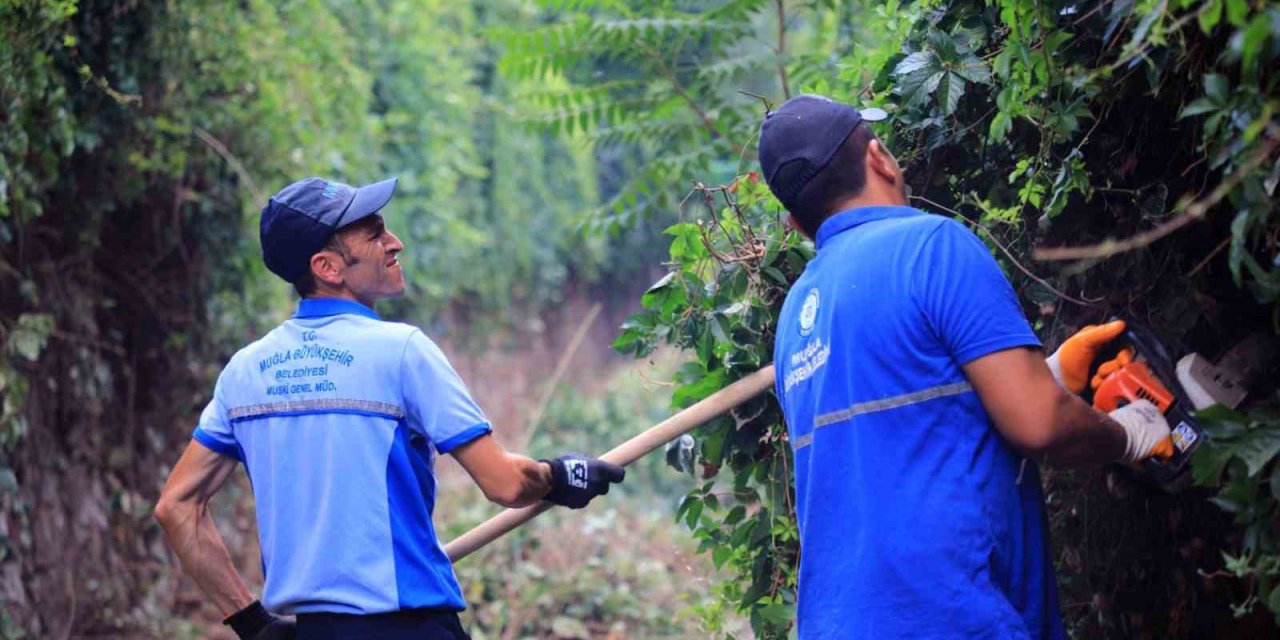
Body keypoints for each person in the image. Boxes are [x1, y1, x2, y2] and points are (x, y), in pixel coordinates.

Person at [758, 95, 1173, 639]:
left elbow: (897, 435)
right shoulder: (931, 247)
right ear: (880, 158)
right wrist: (1127, 434)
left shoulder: (794, 317)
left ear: (794, 222)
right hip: (956, 619)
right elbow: (1041, 426)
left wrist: (1042, 376)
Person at [154, 177, 624, 640]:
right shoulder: (401, 353)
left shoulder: (245, 372)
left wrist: (251, 623)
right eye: (374, 233)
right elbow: (505, 483)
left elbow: (177, 508)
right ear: (327, 266)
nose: (394, 243)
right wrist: (562, 476)